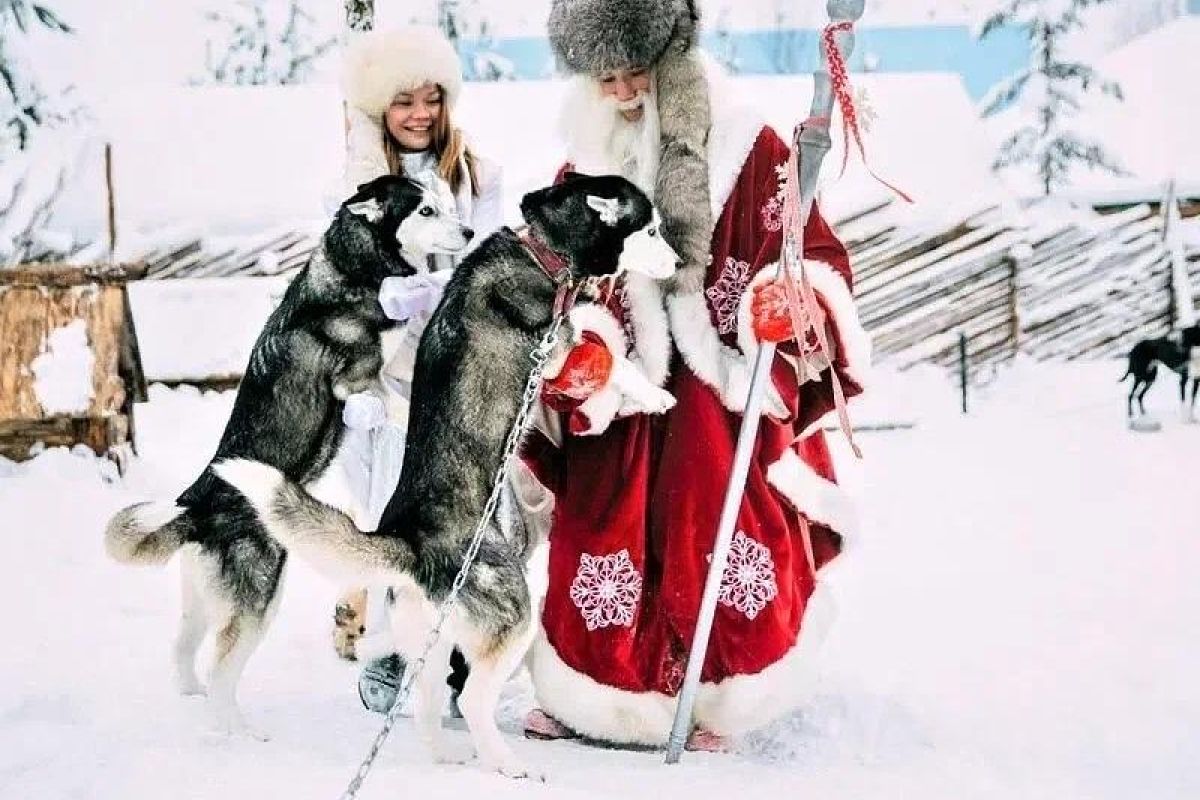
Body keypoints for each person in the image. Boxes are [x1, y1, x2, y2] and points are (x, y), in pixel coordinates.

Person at [518, 0, 870, 750]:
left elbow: (810, 251)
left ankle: (720, 702)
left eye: (635, 72)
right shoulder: (581, 168)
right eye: (603, 78)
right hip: (621, 399)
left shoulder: (752, 149)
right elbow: (556, 279)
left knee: (711, 529)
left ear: (672, 59)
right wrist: (580, 343)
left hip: (717, 402)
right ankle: (591, 695)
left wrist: (791, 299)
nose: (621, 94)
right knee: (598, 531)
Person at [329, 25, 503, 708]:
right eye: (403, 101)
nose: (420, 114)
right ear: (380, 107)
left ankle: (457, 653)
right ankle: (385, 647)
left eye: (431, 98)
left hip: (457, 367)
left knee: (462, 514)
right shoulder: (354, 185)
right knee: (385, 511)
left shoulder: (479, 176)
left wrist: (447, 291)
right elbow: (340, 279)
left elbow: (487, 261)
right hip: (384, 371)